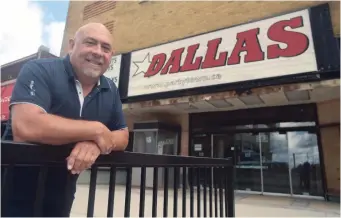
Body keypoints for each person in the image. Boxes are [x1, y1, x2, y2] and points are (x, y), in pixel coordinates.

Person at [1, 23, 129, 217]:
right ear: (71, 45)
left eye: (105, 48)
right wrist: (95, 130)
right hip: (9, 195)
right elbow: (26, 126)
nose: (97, 52)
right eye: (90, 43)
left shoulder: (110, 89)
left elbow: (122, 135)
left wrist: (94, 144)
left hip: (61, 199)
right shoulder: (39, 69)